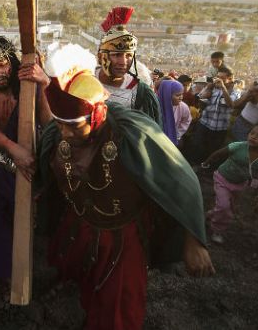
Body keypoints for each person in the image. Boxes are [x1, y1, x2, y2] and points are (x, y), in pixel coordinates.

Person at [38, 43, 214, 329]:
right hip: (80, 225)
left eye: (74, 126)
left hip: (123, 236)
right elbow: (44, 167)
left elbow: (180, 178)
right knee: (84, 285)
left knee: (119, 306)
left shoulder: (132, 132)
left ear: (96, 115)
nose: (66, 134)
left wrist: (193, 240)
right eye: (60, 124)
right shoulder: (57, 132)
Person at [0, 36, 52, 308]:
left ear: (12, 62)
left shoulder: (27, 81)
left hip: (29, 155)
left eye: (3, 65)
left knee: (28, 220)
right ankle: (7, 280)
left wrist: (45, 84)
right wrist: (13, 155)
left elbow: (47, 122)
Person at [200, 123, 258, 244]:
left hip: (240, 185)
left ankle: (211, 214)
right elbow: (219, 153)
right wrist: (206, 163)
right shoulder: (239, 146)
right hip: (222, 178)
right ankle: (217, 229)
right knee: (224, 206)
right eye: (252, 133)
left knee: (230, 208)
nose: (253, 137)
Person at [94, 6, 162, 127]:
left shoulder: (140, 93)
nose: (123, 61)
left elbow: (147, 132)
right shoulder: (86, 78)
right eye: (116, 55)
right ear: (100, 56)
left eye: (128, 55)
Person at [190, 65, 241, 164]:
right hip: (204, 122)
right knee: (198, 145)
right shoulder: (212, 87)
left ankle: (206, 166)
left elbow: (231, 104)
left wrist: (223, 87)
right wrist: (208, 88)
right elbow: (200, 97)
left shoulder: (235, 91)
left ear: (230, 79)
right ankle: (194, 164)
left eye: (222, 78)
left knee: (212, 149)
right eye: (218, 77)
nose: (218, 80)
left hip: (219, 128)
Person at [157, 79, 191, 146]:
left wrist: (177, 133)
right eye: (178, 95)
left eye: (182, 94)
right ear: (167, 95)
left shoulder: (183, 107)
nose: (181, 98)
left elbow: (186, 121)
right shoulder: (156, 105)